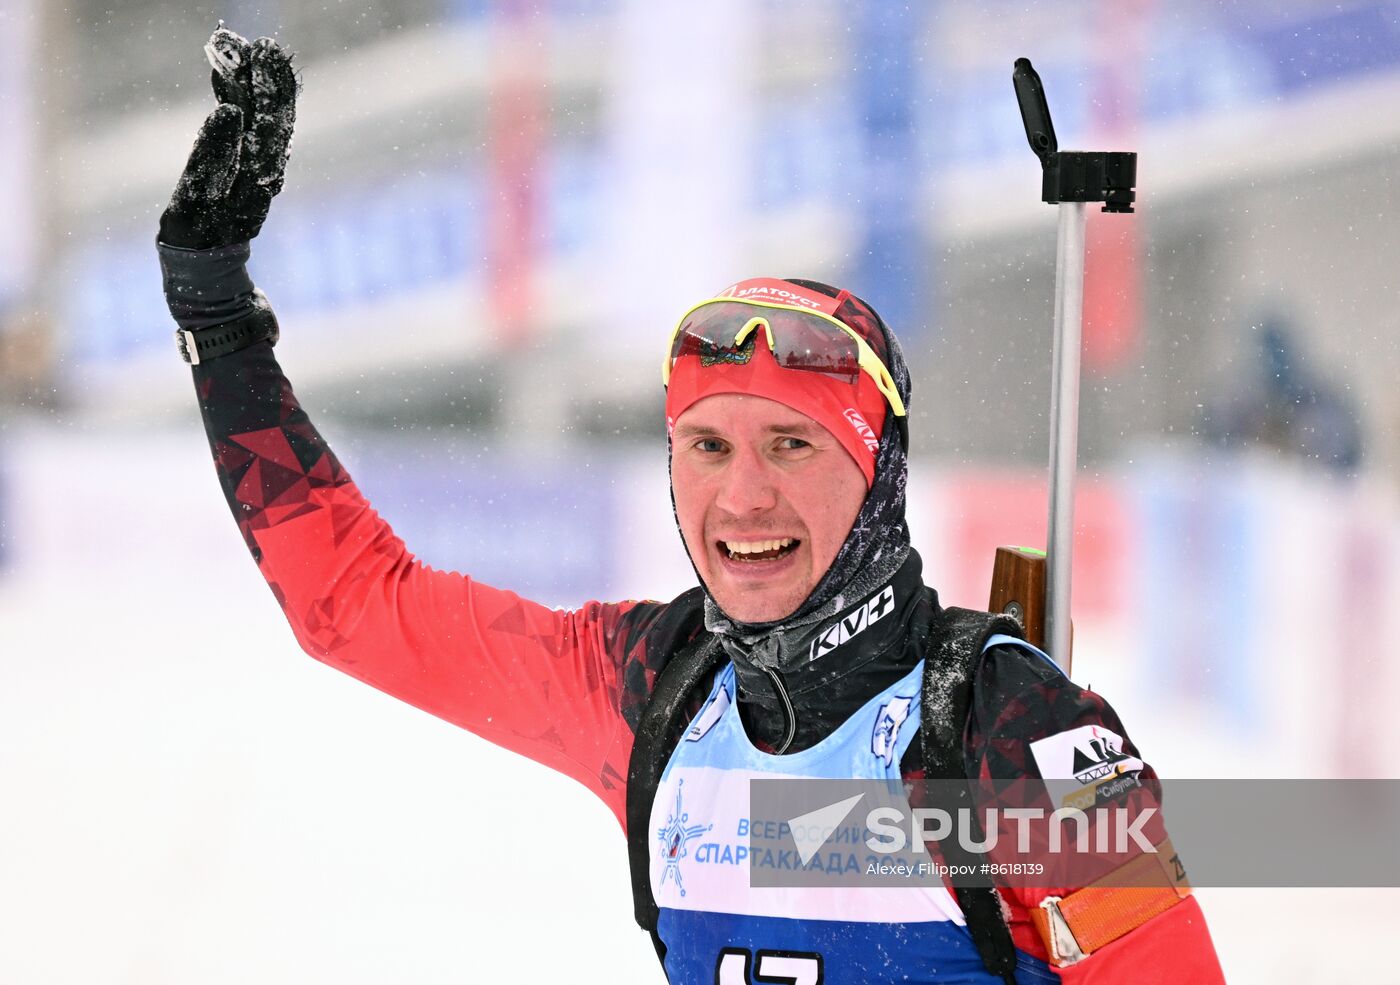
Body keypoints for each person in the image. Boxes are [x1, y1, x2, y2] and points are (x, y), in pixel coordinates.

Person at [157, 30, 1224, 985]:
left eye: (793, 444)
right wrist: (216, 311)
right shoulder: (651, 693)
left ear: (878, 477)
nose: (742, 496)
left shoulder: (1014, 737)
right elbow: (352, 603)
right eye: (706, 447)